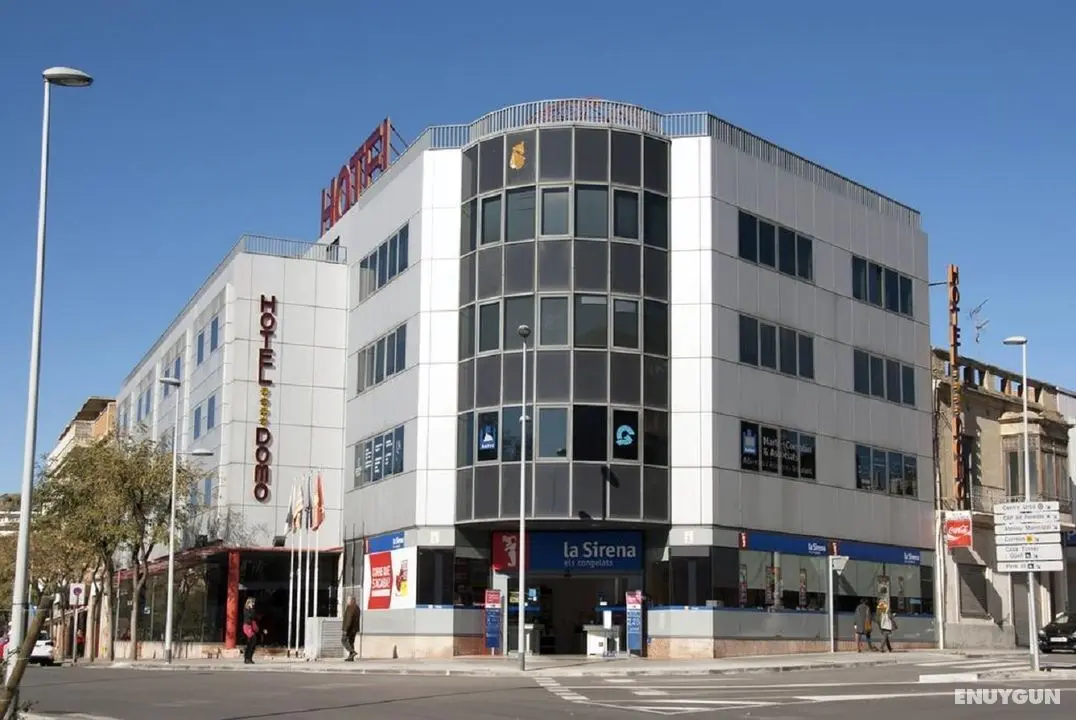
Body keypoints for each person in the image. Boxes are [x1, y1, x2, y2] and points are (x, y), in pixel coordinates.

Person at [242, 597, 263, 664]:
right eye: (252, 602)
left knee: (253, 643)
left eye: (254, 602)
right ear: (248, 603)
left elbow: (254, 616)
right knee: (252, 641)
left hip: (251, 627)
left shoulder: (252, 609)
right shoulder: (246, 609)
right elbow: (250, 617)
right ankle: (247, 658)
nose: (253, 604)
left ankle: (249, 658)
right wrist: (251, 609)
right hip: (247, 627)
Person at [341, 596, 360, 661]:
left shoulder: (350, 607)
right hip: (355, 628)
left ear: (351, 600)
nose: (347, 601)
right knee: (351, 642)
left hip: (349, 628)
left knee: (343, 640)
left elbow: (349, 619)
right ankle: (351, 657)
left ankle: (352, 652)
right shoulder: (357, 608)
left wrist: (346, 629)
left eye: (348, 600)